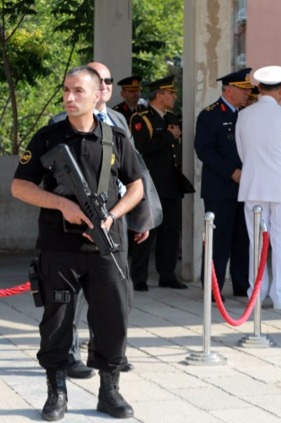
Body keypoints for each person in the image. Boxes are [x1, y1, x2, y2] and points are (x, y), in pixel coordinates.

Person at [11, 65, 143, 420]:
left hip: (105, 246)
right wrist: (62, 204)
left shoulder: (115, 138)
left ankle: (109, 390)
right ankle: (57, 393)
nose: (69, 97)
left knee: (113, 318)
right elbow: (19, 186)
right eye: (65, 90)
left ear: (98, 93)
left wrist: (113, 216)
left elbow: (137, 185)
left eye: (78, 91)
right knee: (56, 321)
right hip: (59, 246)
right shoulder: (47, 137)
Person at [49, 61, 141, 379]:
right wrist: (64, 205)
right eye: (68, 90)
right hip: (70, 230)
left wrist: (133, 217)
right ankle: (68, 357)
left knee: (114, 297)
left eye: (108, 81)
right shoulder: (57, 126)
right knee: (64, 303)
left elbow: (135, 178)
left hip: (113, 221)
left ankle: (112, 359)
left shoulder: (117, 124)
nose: (105, 86)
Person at [235, 65, 281, 309]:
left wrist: (257, 170)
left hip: (253, 185)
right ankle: (280, 296)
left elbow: (241, 151)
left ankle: (257, 292)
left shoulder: (244, 115)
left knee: (256, 243)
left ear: (259, 88)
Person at [129, 75, 194, 291]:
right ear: (160, 95)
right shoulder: (141, 119)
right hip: (151, 183)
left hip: (171, 182)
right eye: (171, 93)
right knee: (146, 230)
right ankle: (139, 276)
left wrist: (170, 134)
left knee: (170, 231)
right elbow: (142, 148)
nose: (174, 97)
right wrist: (168, 136)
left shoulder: (171, 117)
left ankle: (167, 274)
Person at [194, 68, 252, 298]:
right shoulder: (210, 115)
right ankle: (212, 288)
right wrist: (231, 172)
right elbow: (204, 150)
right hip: (220, 189)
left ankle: (241, 286)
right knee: (217, 241)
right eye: (243, 89)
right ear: (230, 90)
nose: (247, 94)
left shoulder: (245, 114)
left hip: (245, 188)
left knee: (242, 240)